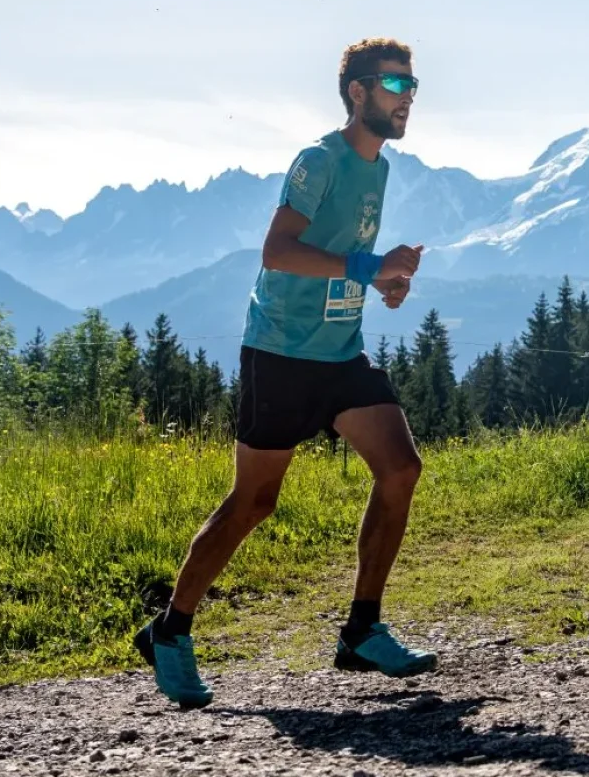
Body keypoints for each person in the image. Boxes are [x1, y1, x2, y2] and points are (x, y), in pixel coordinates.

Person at [133, 37, 436, 709]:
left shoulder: (379, 169)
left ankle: (361, 629)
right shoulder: (320, 159)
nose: (407, 95)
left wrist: (385, 283)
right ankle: (170, 631)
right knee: (254, 504)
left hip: (340, 353)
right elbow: (277, 251)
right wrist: (366, 266)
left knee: (401, 467)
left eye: (413, 84)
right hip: (279, 355)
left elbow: (345, 260)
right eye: (394, 82)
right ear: (357, 92)